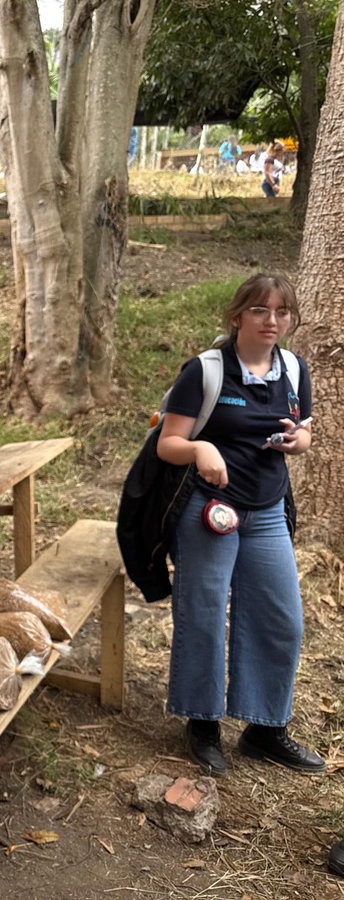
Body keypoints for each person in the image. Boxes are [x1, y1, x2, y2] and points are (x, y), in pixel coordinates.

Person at [156, 273, 324, 777]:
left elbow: (305, 431)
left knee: (281, 618)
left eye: (281, 312)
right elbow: (169, 443)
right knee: (203, 614)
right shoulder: (205, 372)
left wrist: (299, 442)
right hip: (209, 508)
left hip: (267, 510)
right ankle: (202, 722)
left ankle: (264, 727)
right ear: (237, 316)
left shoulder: (293, 369)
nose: (272, 321)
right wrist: (202, 448)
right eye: (260, 311)